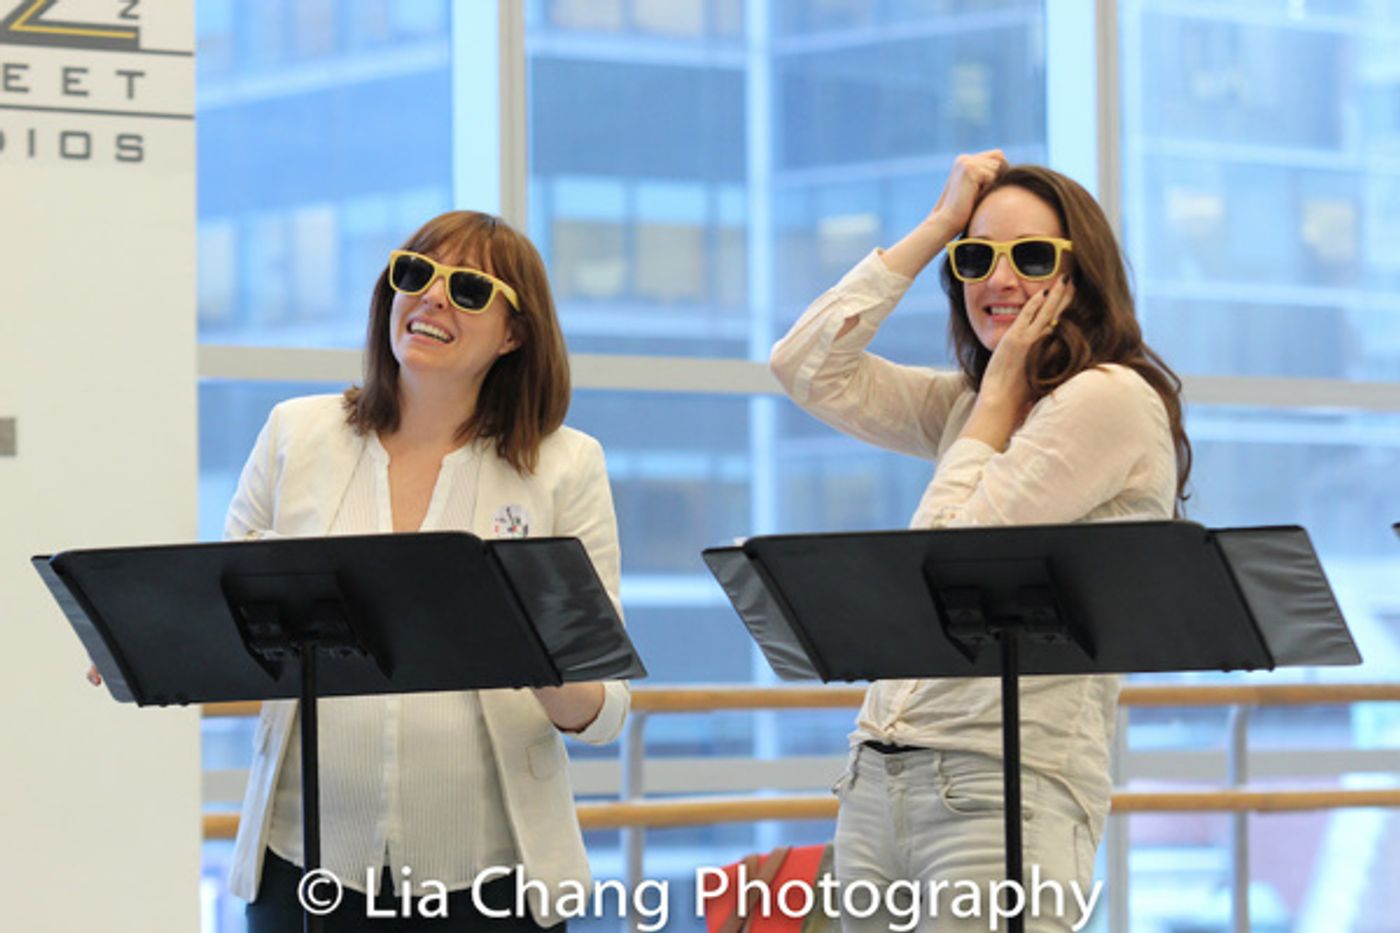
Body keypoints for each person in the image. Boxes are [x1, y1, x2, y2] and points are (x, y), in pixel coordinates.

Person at [770, 151, 1190, 932]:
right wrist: (935, 225)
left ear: (1080, 276)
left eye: (1030, 258)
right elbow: (804, 365)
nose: (997, 279)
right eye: (975, 256)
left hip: (1000, 785)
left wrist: (994, 404)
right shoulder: (974, 403)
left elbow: (937, 562)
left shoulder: (1106, 399)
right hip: (879, 777)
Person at [224, 210, 626, 931]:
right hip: (306, 863)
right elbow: (228, 622)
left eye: (469, 288)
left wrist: (522, 645)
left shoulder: (569, 465)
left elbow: (604, 711)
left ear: (514, 334)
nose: (432, 297)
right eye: (415, 274)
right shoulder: (295, 433)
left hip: (495, 883)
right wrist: (146, 636)